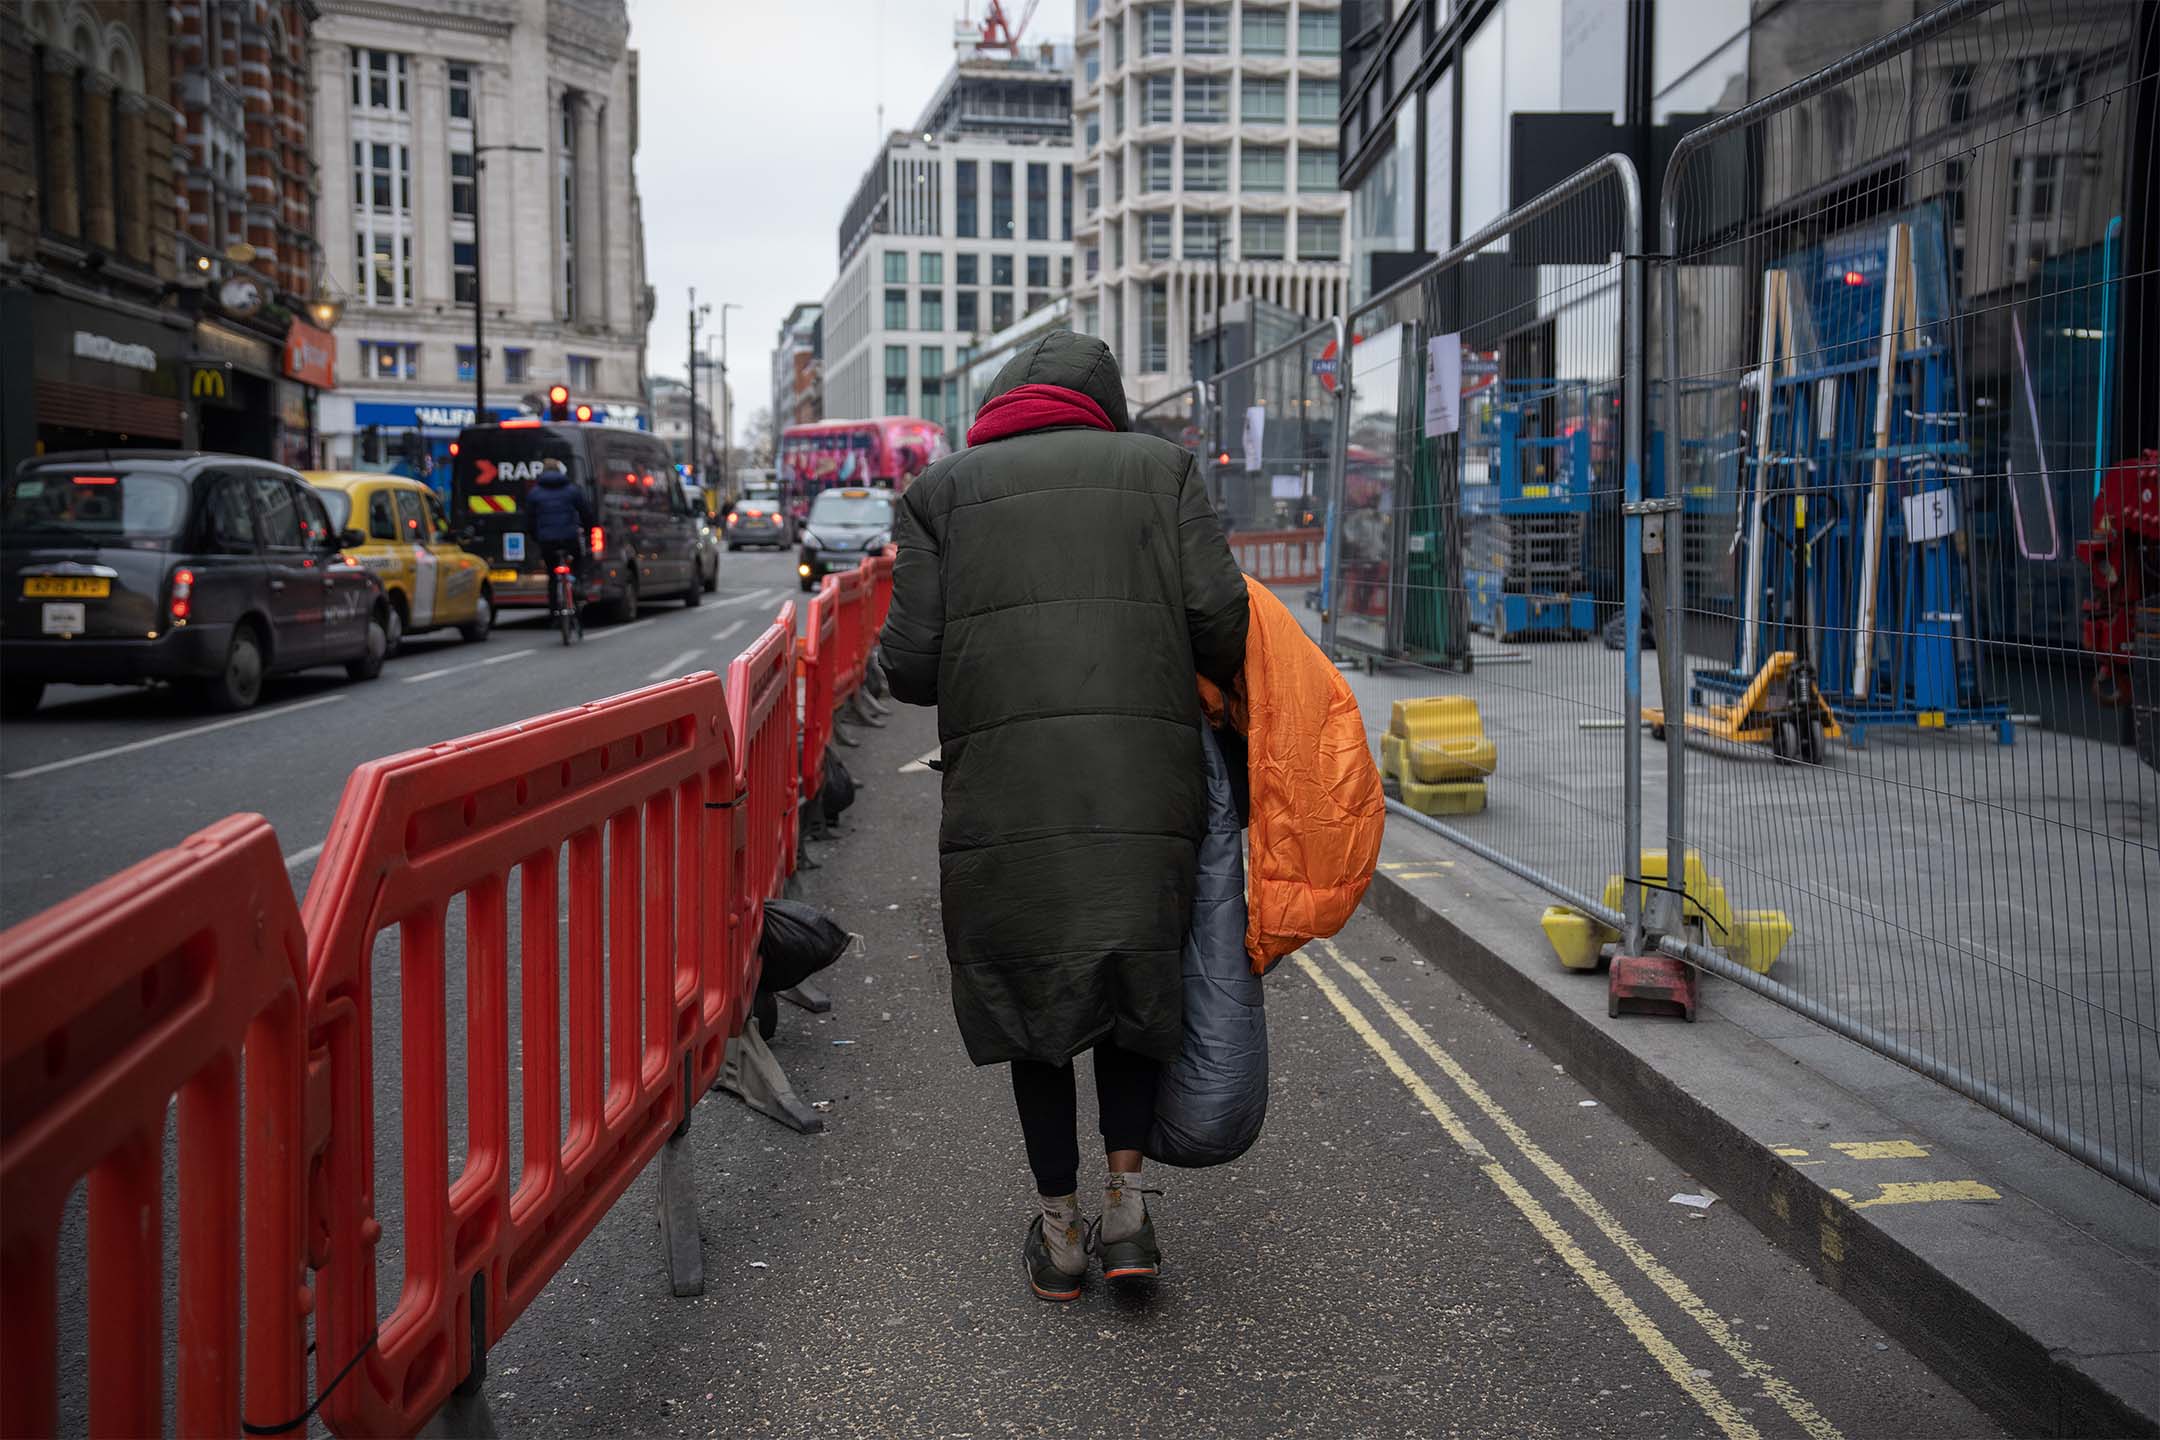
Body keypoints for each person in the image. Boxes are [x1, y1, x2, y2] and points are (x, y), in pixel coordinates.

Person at [879, 331, 1248, 1302]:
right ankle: (1128, 1213)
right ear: (1105, 402)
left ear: (1004, 395)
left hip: (1007, 796)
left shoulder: (938, 494)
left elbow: (909, 666)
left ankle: (1061, 1233)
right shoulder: (1163, 470)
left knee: (1032, 1003)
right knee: (1132, 989)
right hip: (1145, 786)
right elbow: (1221, 621)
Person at [522, 458, 595, 609]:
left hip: (547, 541)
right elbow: (585, 513)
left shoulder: (535, 493)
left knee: (552, 574)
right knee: (578, 561)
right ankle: (577, 586)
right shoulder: (572, 490)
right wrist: (588, 532)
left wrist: (536, 537)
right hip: (569, 537)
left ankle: (555, 611)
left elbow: (529, 519)